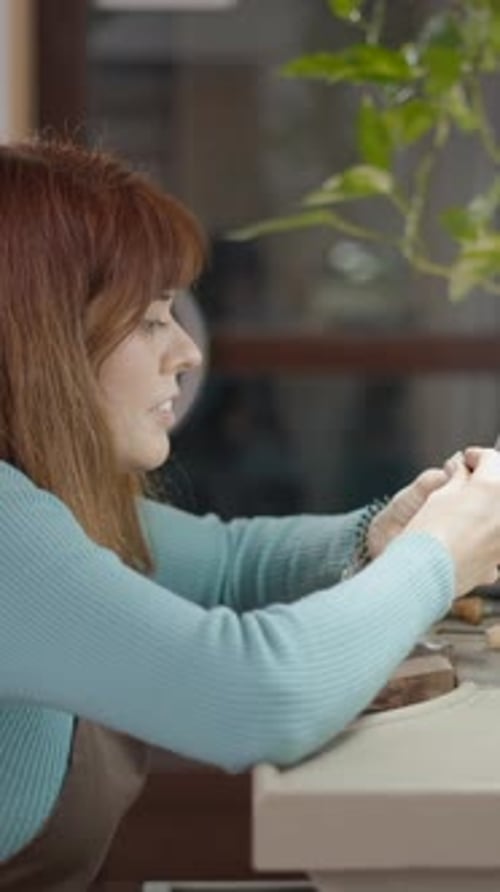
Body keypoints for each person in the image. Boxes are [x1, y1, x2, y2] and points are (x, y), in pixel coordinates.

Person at [1, 136, 500, 889]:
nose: (188, 354)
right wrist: (432, 558)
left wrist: (379, 534)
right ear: (43, 338)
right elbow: (256, 694)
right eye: (150, 321)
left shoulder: (51, 497)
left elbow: (231, 564)